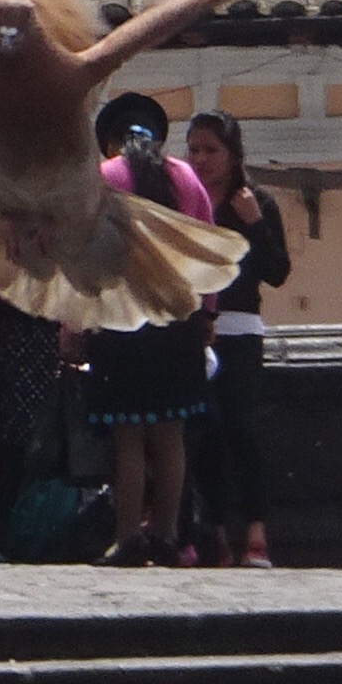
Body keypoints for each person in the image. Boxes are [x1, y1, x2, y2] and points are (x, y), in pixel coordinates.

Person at [74, 98, 212, 567]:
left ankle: (128, 536)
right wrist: (208, 315)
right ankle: (167, 535)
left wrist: (75, 319)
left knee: (127, 437)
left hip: (120, 322)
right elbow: (207, 249)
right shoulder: (186, 178)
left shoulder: (103, 178)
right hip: (177, 322)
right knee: (170, 435)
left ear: (113, 140)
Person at [187, 110, 291, 566]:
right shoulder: (184, 198)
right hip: (194, 331)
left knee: (243, 429)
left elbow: (277, 272)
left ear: (232, 155)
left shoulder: (254, 200)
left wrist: (254, 223)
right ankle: (213, 534)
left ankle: (255, 530)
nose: (201, 159)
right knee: (203, 432)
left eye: (211, 150)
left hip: (239, 327)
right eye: (194, 149)